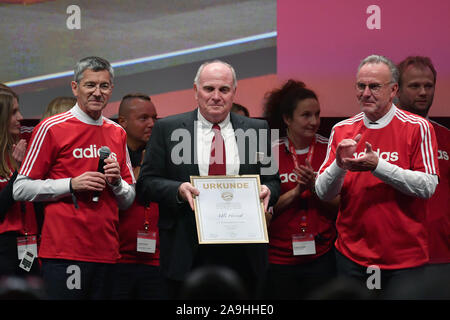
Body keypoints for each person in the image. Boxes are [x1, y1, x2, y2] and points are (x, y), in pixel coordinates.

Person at [136, 60, 280, 299]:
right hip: (186, 247)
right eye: (208, 89)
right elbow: (146, 184)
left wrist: (267, 190)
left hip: (243, 250)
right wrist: (178, 190)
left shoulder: (257, 129)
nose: (216, 96)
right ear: (195, 91)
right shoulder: (168, 129)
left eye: (223, 89)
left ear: (234, 92)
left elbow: (273, 181)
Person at [13, 56, 135, 299]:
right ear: (75, 87)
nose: (97, 92)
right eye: (90, 85)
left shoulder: (118, 132)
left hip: (107, 252)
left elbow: (128, 198)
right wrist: (71, 184)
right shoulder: (51, 127)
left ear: (111, 89)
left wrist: (117, 183)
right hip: (64, 252)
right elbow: (20, 188)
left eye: (104, 86)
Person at [315, 54, 439, 294]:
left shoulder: (418, 127)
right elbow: (322, 192)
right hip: (351, 256)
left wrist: (377, 166)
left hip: (404, 260)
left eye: (374, 86)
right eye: (361, 86)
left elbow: (427, 186)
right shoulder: (342, 129)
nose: (366, 93)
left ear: (393, 90)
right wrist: (339, 166)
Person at [263, 80, 338, 299]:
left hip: (322, 256)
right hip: (278, 258)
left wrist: (316, 188)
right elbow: (260, 212)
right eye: (306, 115)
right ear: (287, 118)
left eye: (317, 114)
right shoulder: (270, 153)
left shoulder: (330, 149)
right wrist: (296, 192)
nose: (314, 121)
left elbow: (343, 207)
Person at [396, 56, 450, 273]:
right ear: (396, 90)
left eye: (428, 86)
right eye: (414, 86)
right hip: (396, 255)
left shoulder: (446, 137)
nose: (423, 92)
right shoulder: (379, 136)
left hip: (441, 252)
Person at [112, 93, 167, 299]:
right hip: (117, 260)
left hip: (156, 260)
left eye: (154, 118)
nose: (152, 123)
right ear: (123, 122)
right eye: (144, 118)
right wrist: (139, 173)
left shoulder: (163, 156)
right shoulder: (110, 156)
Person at [0, 91, 39, 278]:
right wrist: (19, 172)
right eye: (13, 112)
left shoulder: (20, 148)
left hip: (29, 242)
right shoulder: (18, 158)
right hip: (4, 245)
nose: (21, 118)